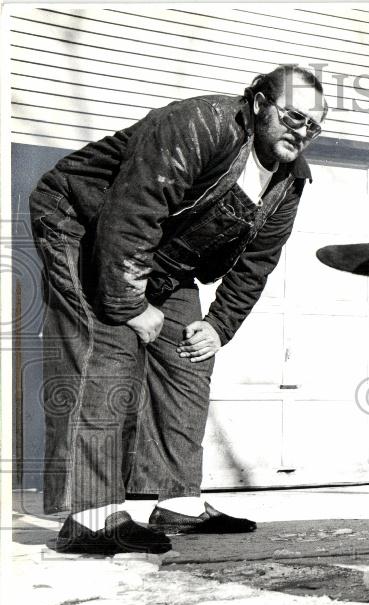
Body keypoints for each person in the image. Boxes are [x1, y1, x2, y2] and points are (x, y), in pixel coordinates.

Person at [30, 65, 327, 554]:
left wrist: (218, 325)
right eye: (294, 116)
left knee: (191, 358)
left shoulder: (289, 182)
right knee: (107, 353)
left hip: (162, 253)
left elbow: (256, 263)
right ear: (257, 104)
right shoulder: (199, 124)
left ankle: (179, 503)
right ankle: (90, 515)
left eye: (313, 125)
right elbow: (133, 209)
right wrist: (130, 304)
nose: (302, 132)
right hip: (82, 223)